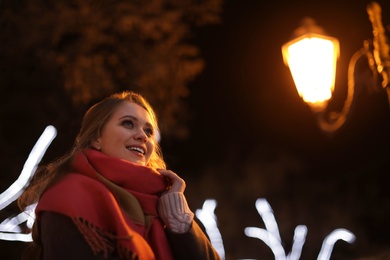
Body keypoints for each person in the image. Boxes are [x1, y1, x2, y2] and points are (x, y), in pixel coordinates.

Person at [18, 91, 221, 260]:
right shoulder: (68, 196)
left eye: (148, 131)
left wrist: (178, 221)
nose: (142, 135)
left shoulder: (162, 204)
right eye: (128, 124)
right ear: (96, 138)